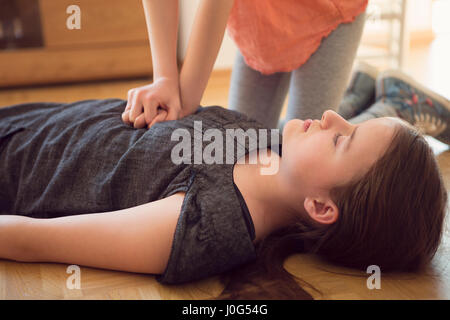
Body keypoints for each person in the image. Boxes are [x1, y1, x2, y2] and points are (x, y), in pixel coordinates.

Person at [0, 68, 447, 299]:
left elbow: (36, 240)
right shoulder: (270, 144)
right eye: (348, 123)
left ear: (321, 208)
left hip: (14, 167)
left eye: (340, 140)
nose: (330, 116)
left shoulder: (204, 225)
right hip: (40, 120)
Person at [122, 0, 369, 131]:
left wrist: (184, 103)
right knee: (243, 146)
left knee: (304, 159)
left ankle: (393, 103)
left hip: (329, 11)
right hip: (260, 20)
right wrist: (164, 78)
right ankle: (357, 97)